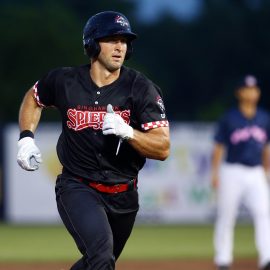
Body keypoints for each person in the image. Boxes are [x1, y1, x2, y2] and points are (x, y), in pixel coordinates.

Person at [16, 11, 170, 270]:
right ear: (91, 44)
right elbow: (34, 98)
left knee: (96, 262)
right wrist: (25, 138)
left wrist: (128, 132)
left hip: (124, 196)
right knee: (101, 256)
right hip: (78, 187)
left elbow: (163, 147)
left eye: (124, 41)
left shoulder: (142, 89)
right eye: (111, 39)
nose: (120, 46)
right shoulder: (65, 81)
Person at [211, 75, 270, 270]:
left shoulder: (264, 118)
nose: (251, 92)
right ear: (239, 93)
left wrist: (267, 170)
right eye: (247, 89)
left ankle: (266, 258)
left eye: (254, 89)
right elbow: (218, 147)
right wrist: (215, 173)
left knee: (263, 214)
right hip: (232, 170)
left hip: (256, 172)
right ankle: (223, 259)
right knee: (226, 215)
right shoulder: (229, 118)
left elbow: (266, 148)